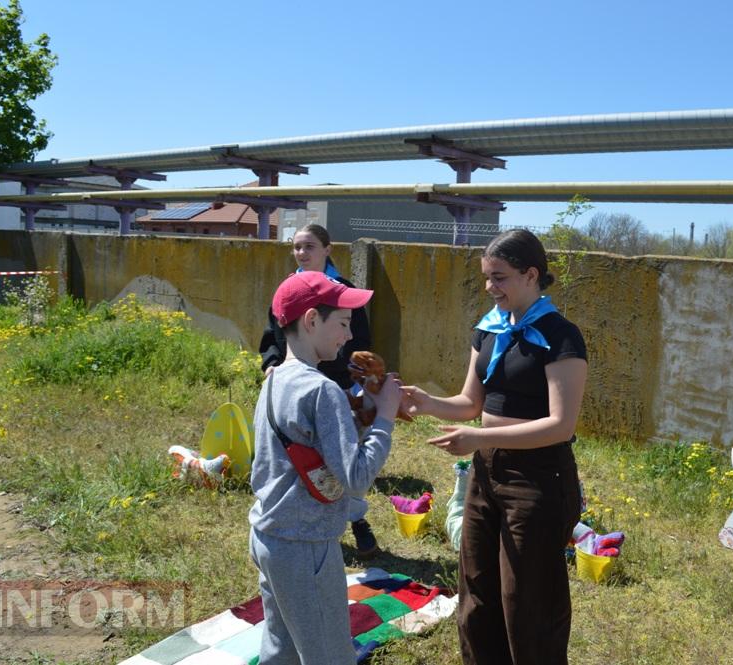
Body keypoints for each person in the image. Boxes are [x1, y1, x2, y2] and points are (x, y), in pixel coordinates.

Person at [402, 229, 588, 665]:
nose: (490, 287)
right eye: (487, 277)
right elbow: (471, 404)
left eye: (499, 277)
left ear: (531, 274)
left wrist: (478, 438)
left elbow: (560, 425)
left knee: (527, 602)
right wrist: (426, 402)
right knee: (477, 594)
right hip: (486, 473)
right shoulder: (487, 330)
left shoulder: (561, 336)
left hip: (538, 478)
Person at [248, 271, 402, 665]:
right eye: (344, 323)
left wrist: (362, 417)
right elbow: (356, 478)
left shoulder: (275, 379)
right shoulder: (322, 390)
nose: (349, 337)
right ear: (312, 320)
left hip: (269, 535)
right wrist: (385, 415)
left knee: (280, 646)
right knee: (329, 653)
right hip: (307, 544)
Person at [258, 224, 380, 557]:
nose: (301, 253)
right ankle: (325, 521)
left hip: (335, 387)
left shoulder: (343, 291)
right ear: (312, 321)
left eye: (308, 246)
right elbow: (272, 337)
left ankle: (354, 521)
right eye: (296, 247)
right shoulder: (287, 290)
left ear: (327, 249)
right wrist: (273, 364)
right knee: (312, 464)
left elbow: (360, 343)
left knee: (337, 460)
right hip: (299, 387)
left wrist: (356, 385)